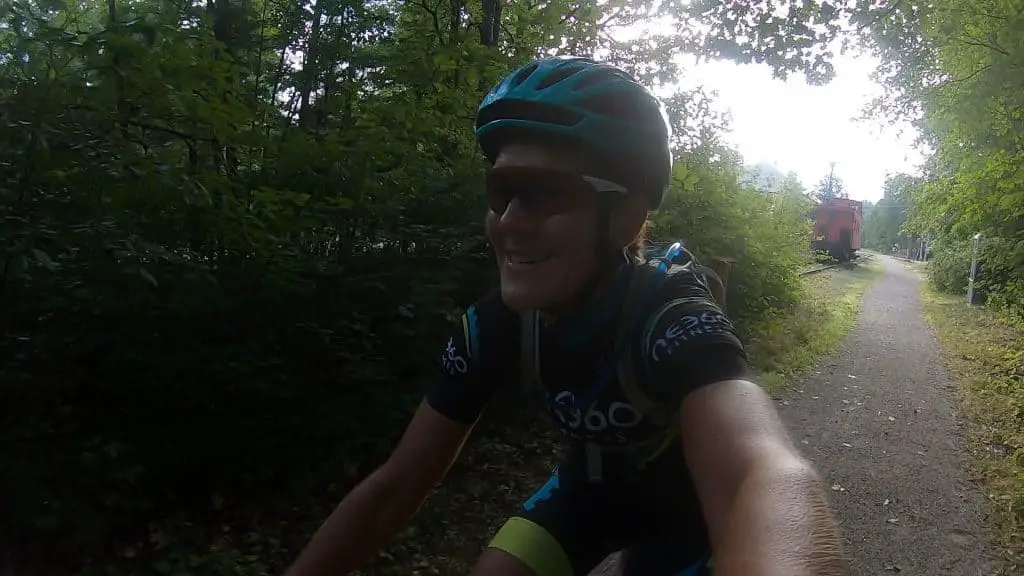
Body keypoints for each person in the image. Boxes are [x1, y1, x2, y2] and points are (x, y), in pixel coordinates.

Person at [285, 56, 845, 576]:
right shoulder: (497, 325)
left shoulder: (672, 320)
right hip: (587, 497)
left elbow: (761, 472)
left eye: (546, 194)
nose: (509, 221)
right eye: (500, 190)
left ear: (627, 216)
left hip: (692, 518)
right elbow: (392, 491)